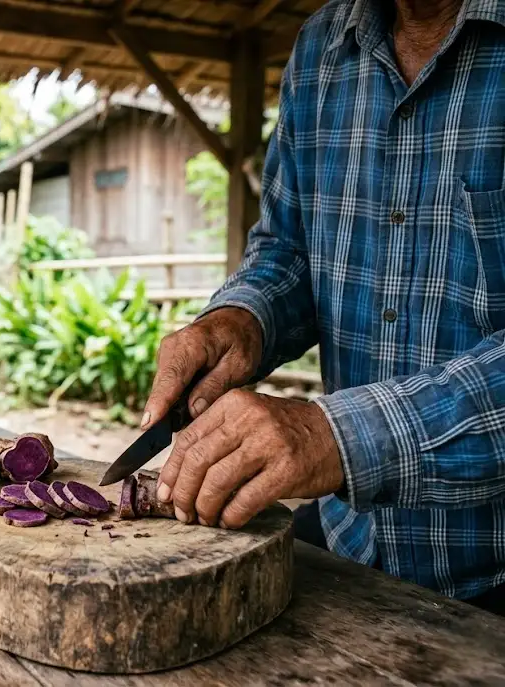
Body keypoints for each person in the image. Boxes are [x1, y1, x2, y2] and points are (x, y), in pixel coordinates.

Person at [144, 0, 505, 615]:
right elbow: (288, 247)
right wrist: (242, 320)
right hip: (349, 541)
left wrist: (332, 436)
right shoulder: (321, 47)